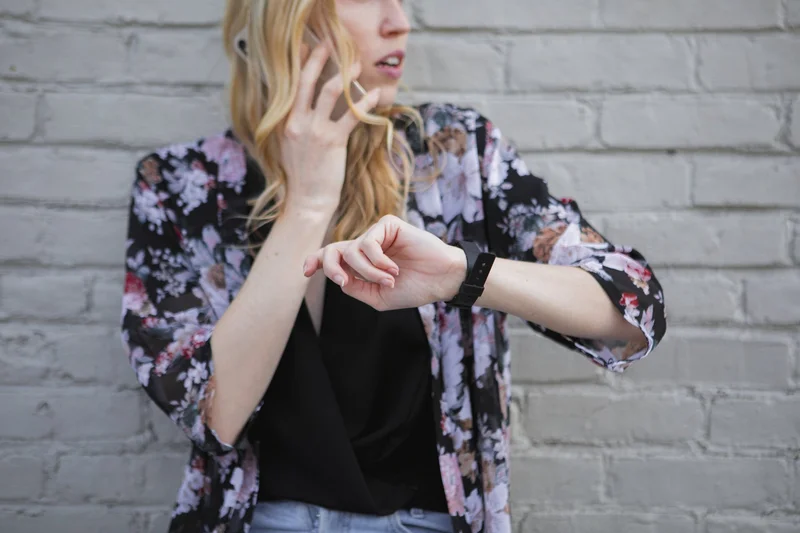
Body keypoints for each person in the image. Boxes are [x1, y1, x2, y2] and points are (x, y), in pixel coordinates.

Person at [120, 0, 667, 532]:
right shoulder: (179, 187)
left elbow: (633, 309)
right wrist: (307, 206)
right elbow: (211, 417)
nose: (399, 22)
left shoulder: (452, 154)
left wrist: (464, 275)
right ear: (287, 17)